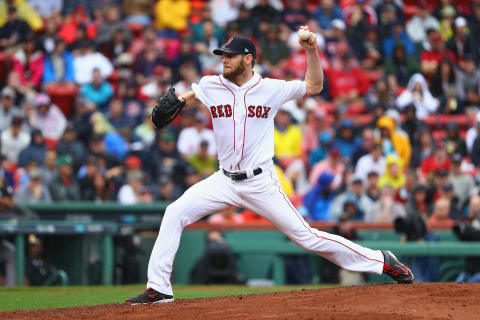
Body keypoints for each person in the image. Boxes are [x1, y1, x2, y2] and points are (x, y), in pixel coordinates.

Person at [126, 30, 413, 305]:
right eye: (222, 55)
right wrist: (178, 102)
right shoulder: (212, 84)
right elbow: (194, 95)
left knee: (306, 237)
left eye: (230, 55)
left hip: (260, 182)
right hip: (223, 180)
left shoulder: (271, 88)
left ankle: (381, 260)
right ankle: (159, 288)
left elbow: (314, 86)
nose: (224, 59)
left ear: (248, 58)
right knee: (174, 212)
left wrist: (311, 50)